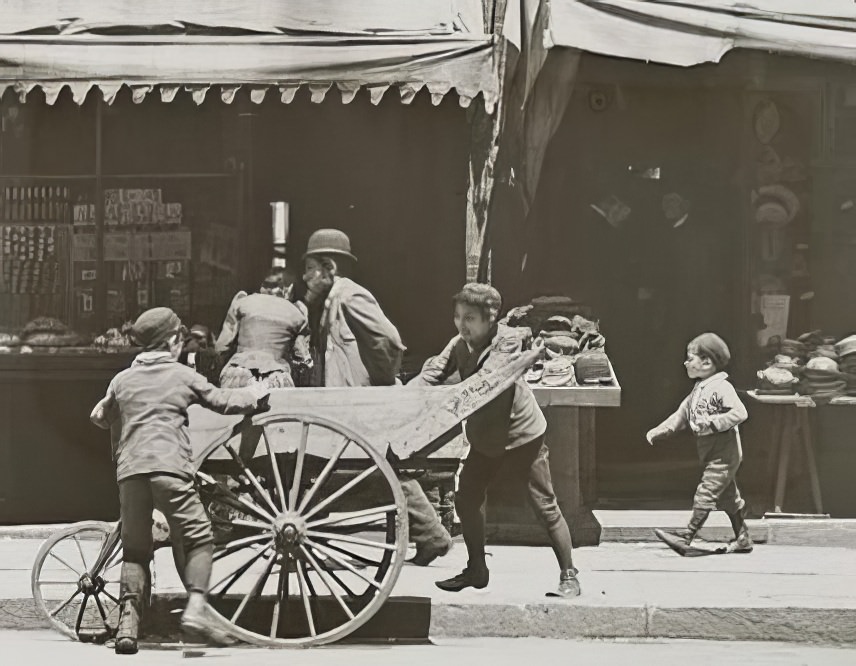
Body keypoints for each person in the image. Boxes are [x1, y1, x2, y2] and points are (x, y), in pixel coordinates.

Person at [90, 307, 270, 654]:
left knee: (137, 550)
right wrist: (254, 394)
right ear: (172, 340)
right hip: (169, 468)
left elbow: (98, 415)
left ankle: (128, 626)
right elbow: (221, 400)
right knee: (200, 539)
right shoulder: (180, 375)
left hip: (131, 475)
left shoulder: (123, 379)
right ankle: (196, 611)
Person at [409, 282, 581, 598]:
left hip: (520, 436)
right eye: (458, 316)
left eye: (470, 318)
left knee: (544, 505)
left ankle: (569, 575)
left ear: (491, 318)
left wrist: (447, 399)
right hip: (486, 437)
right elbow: (433, 371)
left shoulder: (508, 342)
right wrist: (404, 397)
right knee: (467, 498)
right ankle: (477, 569)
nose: (462, 324)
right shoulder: (459, 343)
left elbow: (487, 382)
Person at [301, 228, 453, 565]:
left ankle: (432, 535)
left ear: (330, 268)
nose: (305, 277)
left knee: (385, 469)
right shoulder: (332, 302)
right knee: (379, 469)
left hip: (360, 405)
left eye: (310, 269)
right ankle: (431, 536)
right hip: (344, 406)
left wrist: (377, 387)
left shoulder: (350, 296)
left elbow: (390, 341)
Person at [646, 332, 753, 555]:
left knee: (705, 492)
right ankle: (743, 537)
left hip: (725, 453)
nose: (686, 362)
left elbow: (740, 413)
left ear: (706, 362)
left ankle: (687, 536)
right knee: (728, 498)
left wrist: (713, 423)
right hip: (710, 451)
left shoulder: (721, 387)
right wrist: (661, 430)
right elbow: (681, 414)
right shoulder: (699, 389)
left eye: (690, 357)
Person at [215, 269, 309, 390]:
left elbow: (222, 347)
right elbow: (302, 358)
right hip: (276, 377)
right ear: (288, 289)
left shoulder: (242, 301)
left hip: (239, 373)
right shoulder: (297, 312)